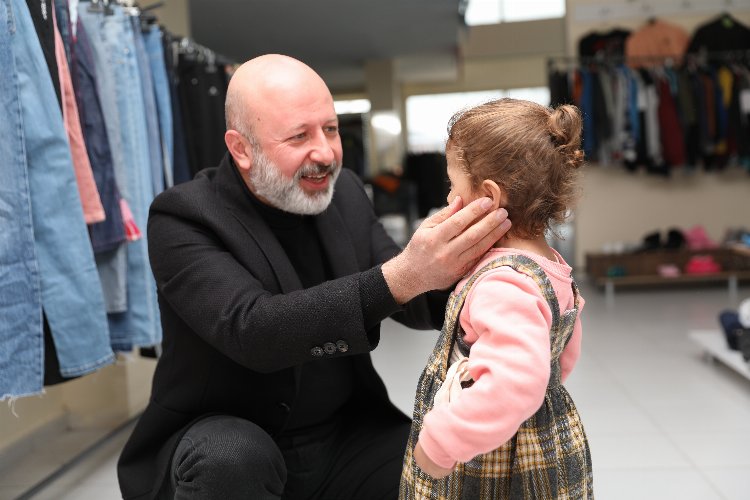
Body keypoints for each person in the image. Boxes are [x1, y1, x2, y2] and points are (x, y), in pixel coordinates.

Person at [116, 54, 511, 500]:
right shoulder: (184, 216)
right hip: (227, 434)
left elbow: (414, 294)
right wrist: (406, 274)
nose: (325, 153)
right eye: (299, 136)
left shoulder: (344, 193)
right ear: (241, 148)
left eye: (331, 129)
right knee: (232, 459)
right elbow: (253, 329)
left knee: (449, 461)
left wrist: (498, 274)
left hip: (345, 435)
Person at [400, 99, 593, 499]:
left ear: (488, 196)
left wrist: (442, 443)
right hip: (546, 438)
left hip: (500, 464)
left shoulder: (503, 281)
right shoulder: (549, 264)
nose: (449, 198)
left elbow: (513, 383)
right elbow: (562, 355)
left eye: (453, 186)